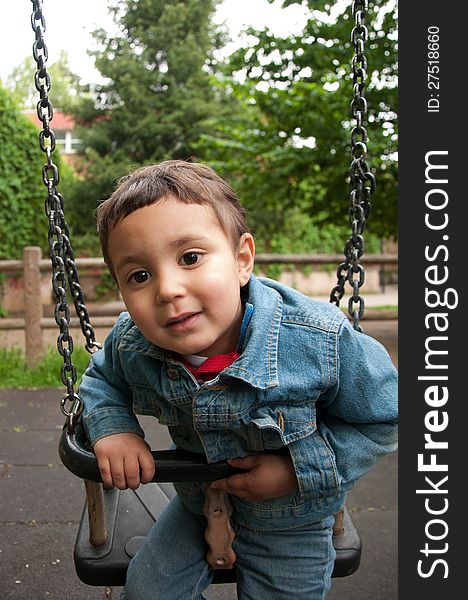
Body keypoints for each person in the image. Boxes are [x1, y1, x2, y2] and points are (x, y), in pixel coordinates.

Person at [80, 159, 398, 600]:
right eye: (139, 275)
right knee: (146, 592)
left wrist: (296, 470)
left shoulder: (315, 339)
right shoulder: (132, 342)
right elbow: (102, 379)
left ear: (242, 259)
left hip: (292, 516)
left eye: (190, 257)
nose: (167, 289)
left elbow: (387, 415)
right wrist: (114, 428)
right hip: (194, 504)